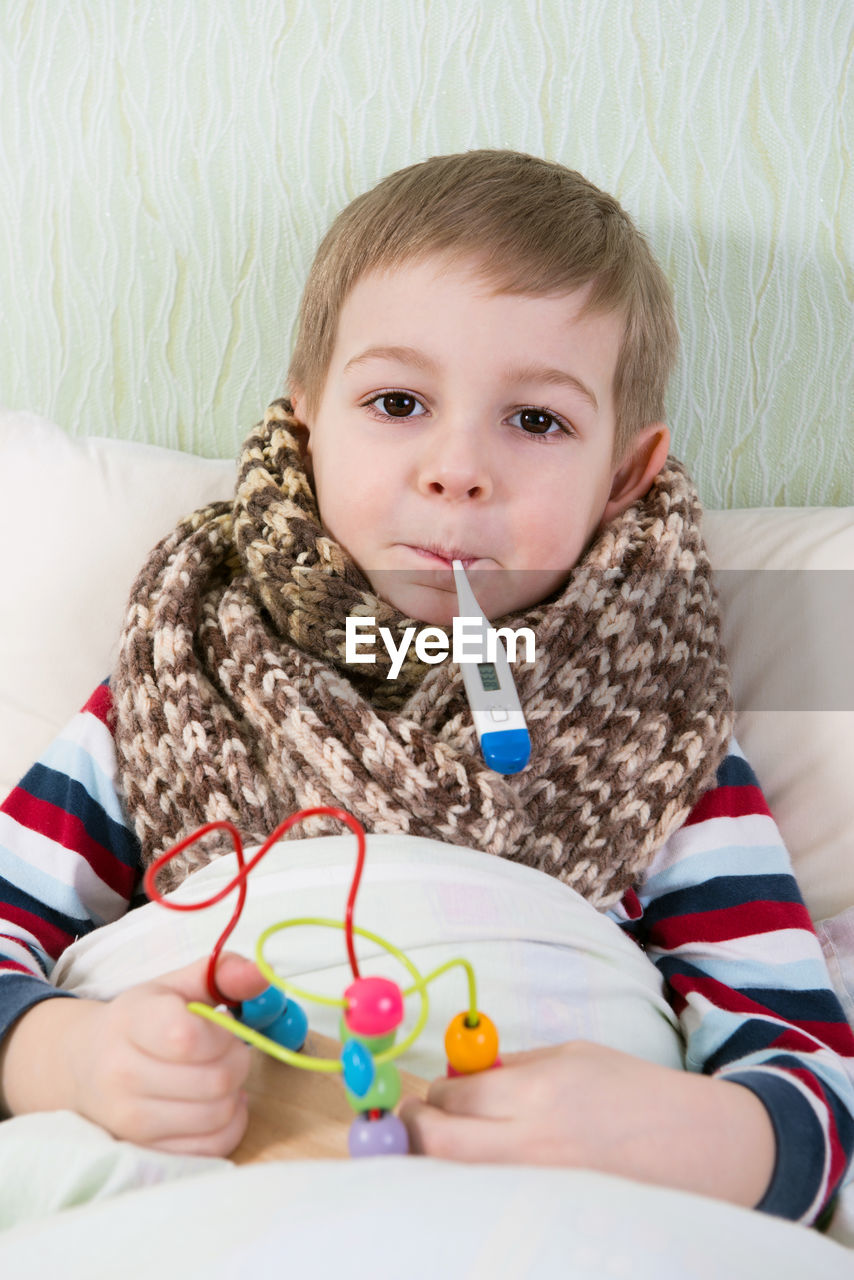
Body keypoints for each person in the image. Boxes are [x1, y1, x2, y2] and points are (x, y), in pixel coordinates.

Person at [1, 150, 852, 1224]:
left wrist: (698, 1136)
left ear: (625, 475)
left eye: (535, 421)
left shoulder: (659, 736)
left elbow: (805, 1067)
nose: (457, 468)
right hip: (194, 1184)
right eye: (397, 401)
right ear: (307, 423)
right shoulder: (180, 675)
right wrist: (68, 1056)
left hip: (557, 1210)